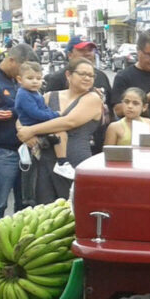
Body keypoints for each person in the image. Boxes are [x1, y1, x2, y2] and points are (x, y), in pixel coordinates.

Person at [17, 58, 103, 203]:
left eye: (91, 75)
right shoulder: (50, 96)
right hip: (46, 160)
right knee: (45, 211)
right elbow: (23, 116)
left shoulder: (93, 98)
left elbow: (69, 122)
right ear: (68, 75)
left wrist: (30, 130)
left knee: (73, 209)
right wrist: (23, 132)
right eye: (82, 74)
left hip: (74, 161)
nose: (87, 78)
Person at [0, 44, 37, 225]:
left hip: (25, 150)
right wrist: (17, 110)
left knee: (25, 202)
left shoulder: (19, 80)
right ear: (11, 61)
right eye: (23, 67)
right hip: (1, 152)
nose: (25, 72)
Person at [13, 61, 75, 180]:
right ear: (20, 79)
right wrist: (54, 115)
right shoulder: (23, 94)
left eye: (38, 78)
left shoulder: (35, 93)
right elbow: (35, 112)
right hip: (33, 124)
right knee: (61, 132)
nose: (35, 81)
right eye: (30, 78)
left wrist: (51, 114)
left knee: (58, 133)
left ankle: (54, 152)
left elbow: (43, 108)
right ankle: (62, 162)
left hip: (37, 124)